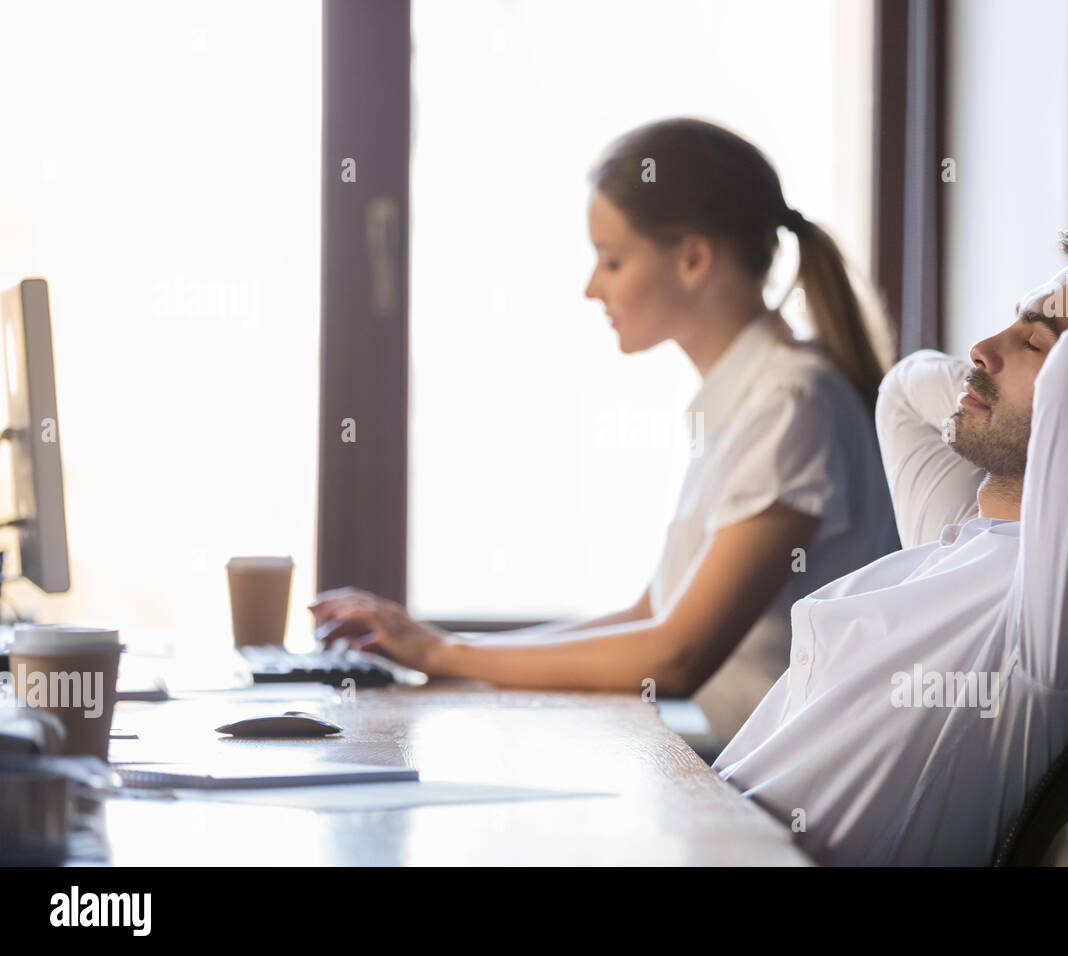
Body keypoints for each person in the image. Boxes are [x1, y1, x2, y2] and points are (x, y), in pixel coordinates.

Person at [309, 118, 901, 746]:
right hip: (729, 760)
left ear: (695, 259)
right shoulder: (751, 399)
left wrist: (447, 654)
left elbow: (675, 657)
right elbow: (650, 617)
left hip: (774, 782)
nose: (593, 287)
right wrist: (443, 651)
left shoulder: (790, 404)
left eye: (612, 260)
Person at [712, 221, 1068, 864]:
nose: (982, 350)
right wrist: (1042, 339)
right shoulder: (974, 545)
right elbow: (905, 391)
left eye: (1039, 346)